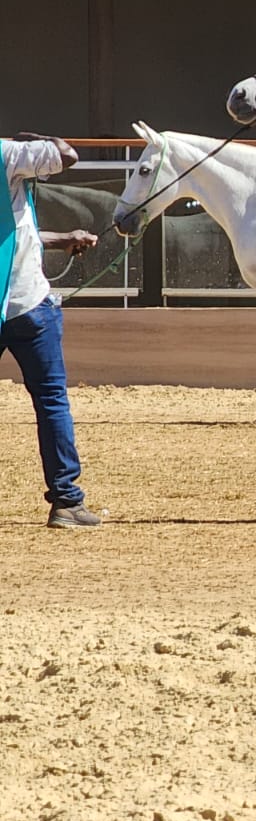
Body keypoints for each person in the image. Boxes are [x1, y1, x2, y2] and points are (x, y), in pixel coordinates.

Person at [2, 132, 102, 529]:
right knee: (51, 402)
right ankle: (66, 500)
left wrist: (61, 240)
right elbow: (67, 155)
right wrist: (35, 137)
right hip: (27, 305)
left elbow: (11, 233)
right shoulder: (7, 153)